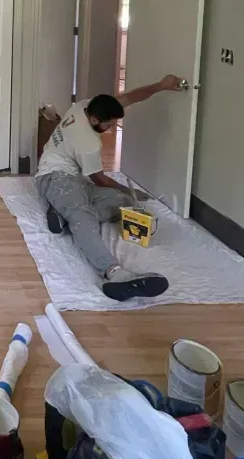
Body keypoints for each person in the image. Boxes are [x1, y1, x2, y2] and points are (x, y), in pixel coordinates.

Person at [36, 75, 185, 301]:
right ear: (95, 119)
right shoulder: (87, 143)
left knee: (124, 203)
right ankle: (114, 273)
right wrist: (132, 191)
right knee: (84, 217)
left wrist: (160, 86)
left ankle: (60, 214)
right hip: (56, 178)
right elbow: (99, 179)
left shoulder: (84, 105)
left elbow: (128, 97)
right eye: (109, 124)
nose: (112, 127)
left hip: (74, 181)